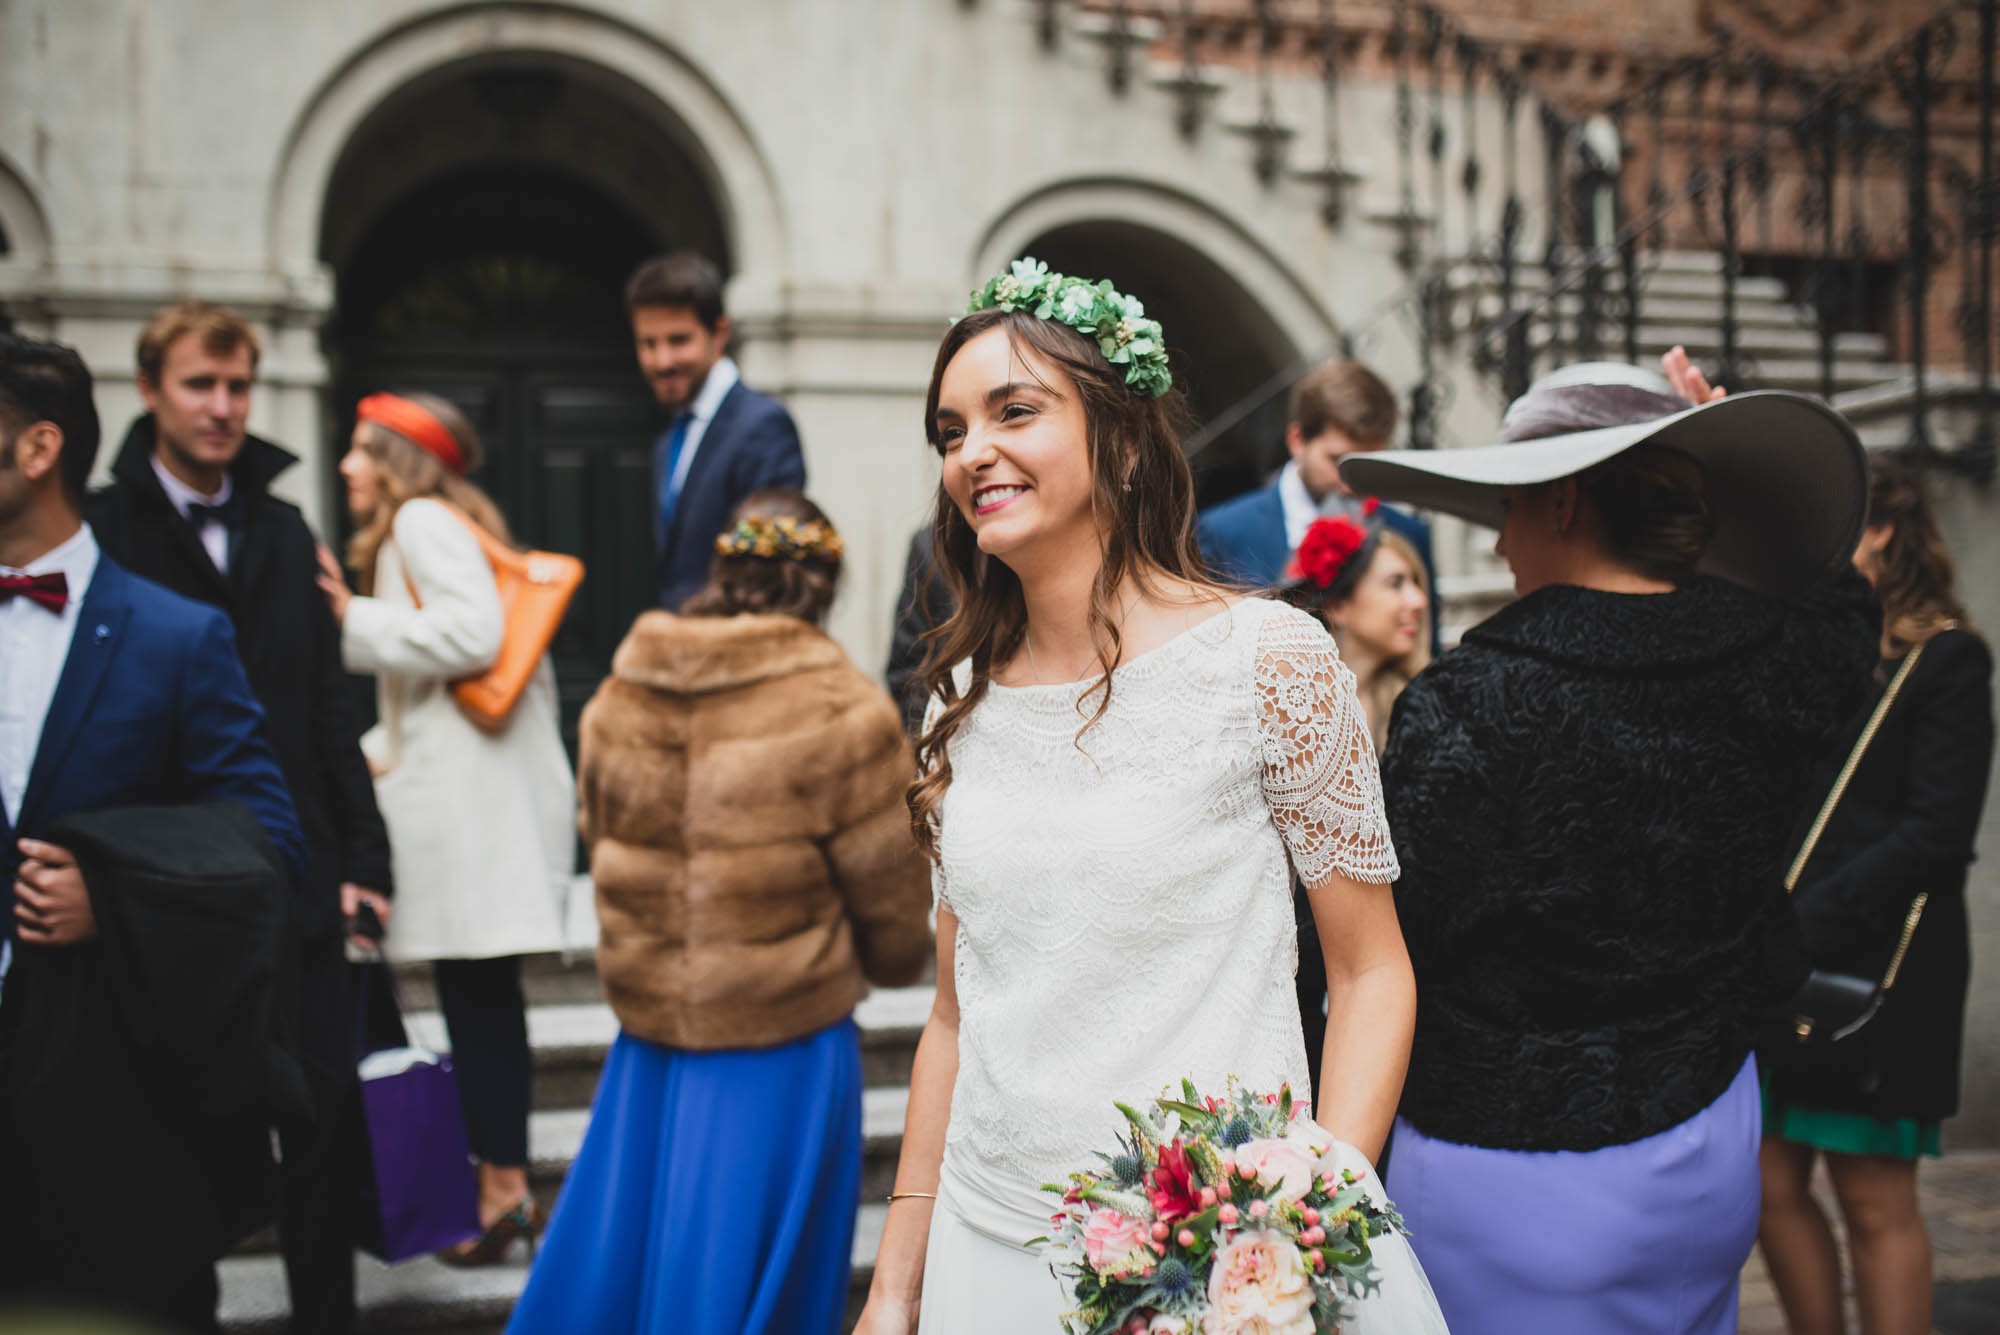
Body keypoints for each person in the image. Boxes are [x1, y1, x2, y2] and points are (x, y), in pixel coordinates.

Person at [855, 260, 1446, 1334]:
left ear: (1121, 441)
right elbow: (953, 1013)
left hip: (1211, 1260)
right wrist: (895, 1286)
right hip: (985, 1251)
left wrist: (1295, 1234)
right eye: (948, 430)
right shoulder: (958, 696)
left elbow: (1370, 975)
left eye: (1013, 411)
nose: (970, 451)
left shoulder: (1269, 660)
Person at [1341, 359, 1881, 1335]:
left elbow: (1387, 942)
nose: (1497, 543)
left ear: (1560, 502)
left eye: (1507, 507)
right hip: (1711, 1140)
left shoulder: (1474, 702)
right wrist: (1726, 449)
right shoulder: (1784, 654)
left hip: (1511, 1179)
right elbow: (1841, 605)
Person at [511, 490, 931, 1334]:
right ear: (823, 582)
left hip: (651, 1044)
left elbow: (603, 840)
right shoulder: (839, 707)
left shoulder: (623, 688)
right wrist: (887, 957)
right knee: (756, 1274)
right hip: (784, 1040)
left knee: (628, 1262)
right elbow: (892, 918)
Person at [84, 300, 391, 1334]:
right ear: (149, 392)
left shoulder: (284, 524)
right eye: (199, 385)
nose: (222, 409)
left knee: (323, 1135)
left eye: (236, 387)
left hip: (298, 882)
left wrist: (366, 859)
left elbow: (323, 707)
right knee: (176, 1150)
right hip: (165, 892)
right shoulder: (101, 530)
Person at [0, 332, 305, 1332]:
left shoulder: (177, 637)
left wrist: (117, 893)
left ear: (37, 448)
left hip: (110, 1114)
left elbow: (266, 840)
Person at [315, 391, 573, 1264]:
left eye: (361, 450)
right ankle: (499, 1184)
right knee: (481, 998)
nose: (347, 466)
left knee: (480, 998)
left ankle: (502, 1190)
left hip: (474, 813)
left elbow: (471, 634)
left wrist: (348, 617)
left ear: (398, 461)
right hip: (475, 805)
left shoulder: (420, 521)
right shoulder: (438, 521)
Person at [1757, 451, 1994, 1335]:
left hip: (1884, 971)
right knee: (1769, 1182)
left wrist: (1807, 917)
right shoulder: (1815, 647)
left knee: (1873, 1197)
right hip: (1788, 959)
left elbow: (1937, 832)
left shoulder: (1950, 661)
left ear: (1885, 530)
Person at [1273, 513, 1432, 1088]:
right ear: (1338, 605)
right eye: (1395, 583)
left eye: (1417, 582)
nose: (1416, 600)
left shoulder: (1420, 707)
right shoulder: (1287, 714)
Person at [1195, 359, 1437, 644]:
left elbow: (1425, 653)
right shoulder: (1223, 531)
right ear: (1297, 440)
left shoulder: (1408, 533)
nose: (1351, 482)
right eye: (1338, 460)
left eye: (1367, 463)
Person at [628, 250, 808, 609]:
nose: (662, 361)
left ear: (719, 333)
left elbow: (770, 576)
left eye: (678, 340)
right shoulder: (668, 441)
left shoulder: (763, 425)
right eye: (648, 344)